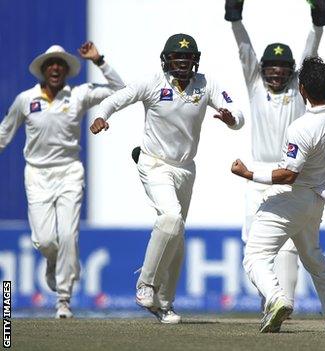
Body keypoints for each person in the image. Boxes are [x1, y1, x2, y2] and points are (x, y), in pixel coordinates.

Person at [90, 33, 244, 323]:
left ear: (195, 60)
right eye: (177, 57)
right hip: (154, 163)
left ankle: (164, 303)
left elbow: (236, 111)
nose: (183, 62)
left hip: (186, 168)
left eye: (187, 57)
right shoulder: (152, 82)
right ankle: (146, 285)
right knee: (171, 218)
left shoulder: (205, 84)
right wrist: (102, 116)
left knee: (177, 236)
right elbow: (115, 100)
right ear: (167, 60)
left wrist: (231, 118)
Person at [231, 57, 325, 333]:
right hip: (317, 200)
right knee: (313, 257)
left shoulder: (301, 128)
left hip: (295, 197)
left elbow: (288, 175)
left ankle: (277, 298)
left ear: (302, 90)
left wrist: (249, 174)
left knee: (254, 255)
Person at [0, 42, 124, 319]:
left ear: (67, 71)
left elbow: (119, 91)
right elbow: (4, 133)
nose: (55, 68)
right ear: (43, 70)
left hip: (69, 171)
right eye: (50, 64)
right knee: (44, 241)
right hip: (37, 174)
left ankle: (63, 299)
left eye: (60, 65)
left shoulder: (78, 95)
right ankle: (53, 259)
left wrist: (100, 60)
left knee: (68, 234)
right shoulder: (25, 100)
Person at [224, 0, 325, 309]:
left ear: (291, 73)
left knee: (287, 247)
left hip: (287, 174)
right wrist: (235, 18)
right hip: (257, 175)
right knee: (254, 245)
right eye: (271, 68)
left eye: (283, 69)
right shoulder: (255, 86)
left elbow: (310, 53)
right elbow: (245, 50)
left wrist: (317, 21)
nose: (276, 74)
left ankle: (284, 302)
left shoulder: (299, 90)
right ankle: (269, 302)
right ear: (263, 70)